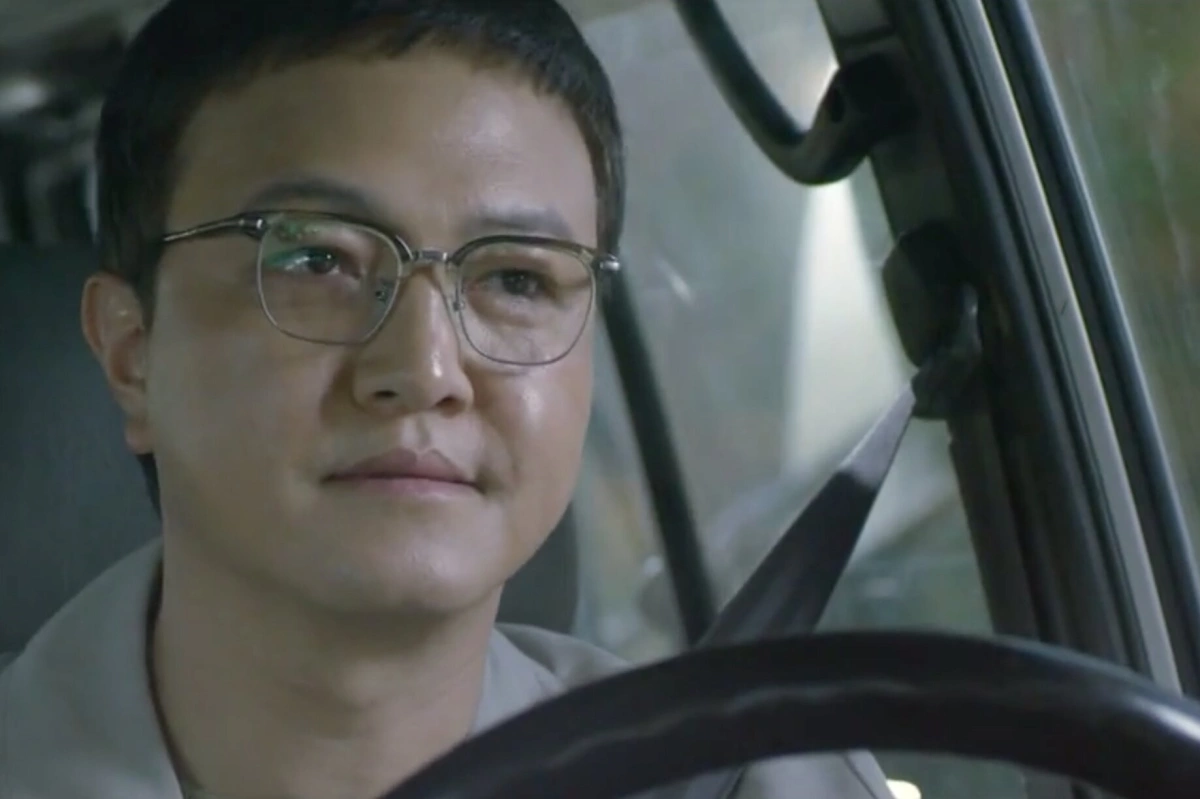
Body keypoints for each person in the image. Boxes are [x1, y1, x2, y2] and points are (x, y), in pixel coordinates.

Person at [0, 2, 890, 797]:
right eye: (315, 259)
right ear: (131, 354)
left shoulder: (763, 784)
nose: (425, 369)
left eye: (516, 278)